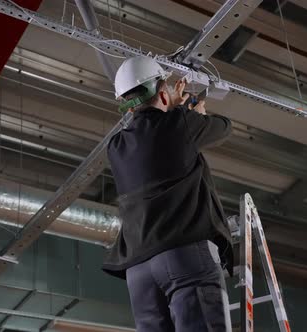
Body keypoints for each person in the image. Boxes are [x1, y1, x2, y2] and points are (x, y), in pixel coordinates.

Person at [102, 56, 234, 332]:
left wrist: (174, 109)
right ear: (162, 92)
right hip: (183, 254)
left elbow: (157, 138)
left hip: (138, 271)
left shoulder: (116, 147)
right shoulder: (180, 123)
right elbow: (224, 127)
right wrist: (190, 113)